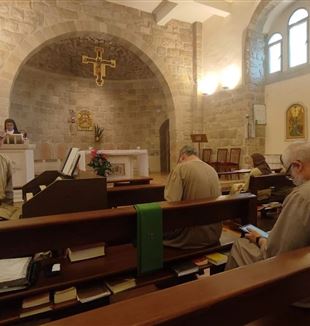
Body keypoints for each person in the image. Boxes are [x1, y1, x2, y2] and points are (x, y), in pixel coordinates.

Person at [225, 141, 310, 270]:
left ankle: (233, 289)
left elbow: (276, 252)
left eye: (289, 174)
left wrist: (259, 239)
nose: (291, 178)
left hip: (292, 270)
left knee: (240, 245)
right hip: (304, 258)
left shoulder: (301, 196)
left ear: (297, 166)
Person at [163, 145, 222, 249]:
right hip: (214, 233)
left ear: (182, 156)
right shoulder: (212, 170)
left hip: (191, 235)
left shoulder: (180, 168)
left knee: (151, 232)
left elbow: (171, 202)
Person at [0, 131, 21, 220]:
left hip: (2, 206)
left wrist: (6, 209)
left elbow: (9, 189)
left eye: (0, 139)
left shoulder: (5, 160)